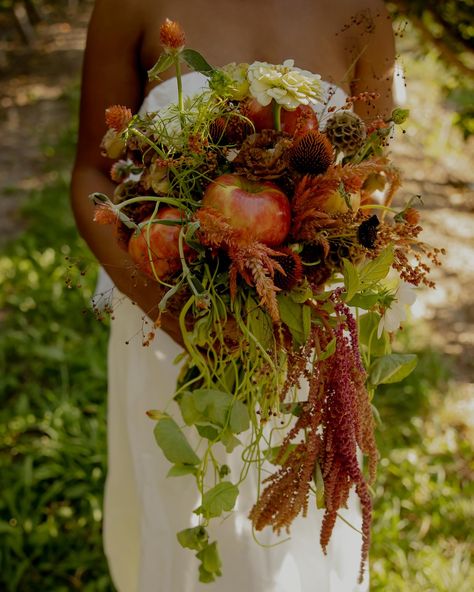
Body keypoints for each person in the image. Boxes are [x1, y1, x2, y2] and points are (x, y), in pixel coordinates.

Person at [71, 1, 396, 590]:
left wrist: (320, 272)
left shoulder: (362, 11)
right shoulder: (130, 5)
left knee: (296, 506)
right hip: (166, 317)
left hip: (305, 329)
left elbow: (372, 179)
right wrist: (169, 313)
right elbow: (92, 173)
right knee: (178, 498)